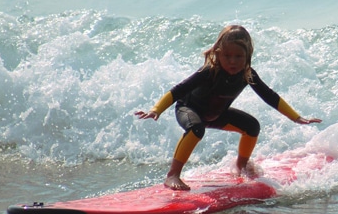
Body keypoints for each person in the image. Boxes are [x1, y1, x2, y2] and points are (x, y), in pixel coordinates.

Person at [135, 25, 322, 190]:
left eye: (238, 56)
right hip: (189, 110)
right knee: (196, 129)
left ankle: (241, 166)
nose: (232, 61)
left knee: (252, 127)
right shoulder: (209, 71)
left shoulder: (248, 74)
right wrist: (156, 109)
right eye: (227, 56)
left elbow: (270, 96)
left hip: (216, 115)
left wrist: (296, 117)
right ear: (218, 53)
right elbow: (178, 90)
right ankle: (173, 175)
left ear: (248, 56)